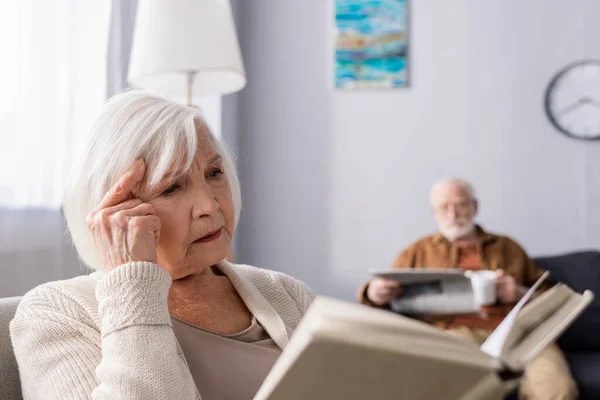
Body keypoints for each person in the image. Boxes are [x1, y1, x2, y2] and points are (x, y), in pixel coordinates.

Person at [10, 91, 315, 400]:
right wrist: (132, 280)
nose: (210, 205)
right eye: (171, 188)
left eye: (214, 173)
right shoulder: (54, 314)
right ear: (114, 213)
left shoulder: (287, 292)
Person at [358, 178, 577, 400]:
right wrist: (373, 292)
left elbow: (553, 299)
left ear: (475, 207)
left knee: (557, 389)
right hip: (453, 335)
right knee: (458, 386)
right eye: (444, 207)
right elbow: (378, 293)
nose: (452, 215)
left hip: (518, 333)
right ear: (434, 212)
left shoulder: (508, 247)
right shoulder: (417, 251)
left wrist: (519, 292)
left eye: (460, 205)